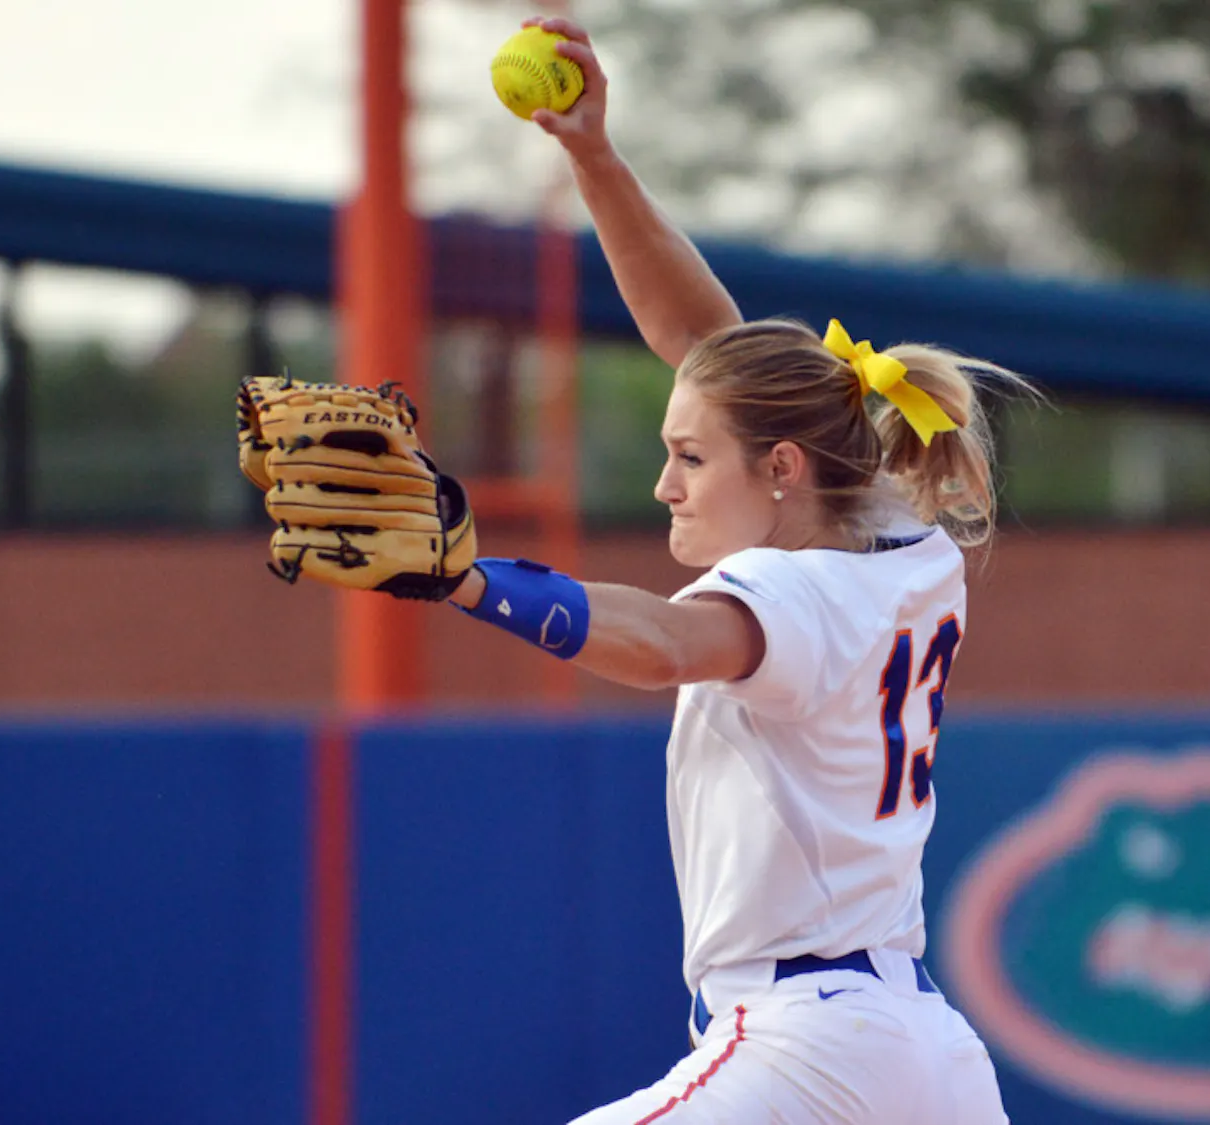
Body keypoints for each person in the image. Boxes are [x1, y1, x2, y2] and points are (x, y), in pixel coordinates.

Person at [446, 16, 1025, 1123]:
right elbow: (716, 353)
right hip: (920, 1053)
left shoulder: (796, 594)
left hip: (809, 1052)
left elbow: (663, 644)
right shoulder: (899, 530)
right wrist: (596, 161)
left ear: (781, 469)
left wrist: (469, 578)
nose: (666, 484)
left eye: (687, 458)